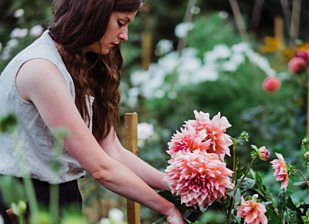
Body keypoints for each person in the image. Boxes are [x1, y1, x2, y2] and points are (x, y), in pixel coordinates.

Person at [0, 0, 185, 223]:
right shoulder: (41, 69)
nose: (124, 35)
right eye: (121, 23)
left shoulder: (80, 62)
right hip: (23, 202)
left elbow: (112, 151)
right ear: (94, 14)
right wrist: (168, 209)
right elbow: (100, 167)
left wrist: (178, 188)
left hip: (62, 195)